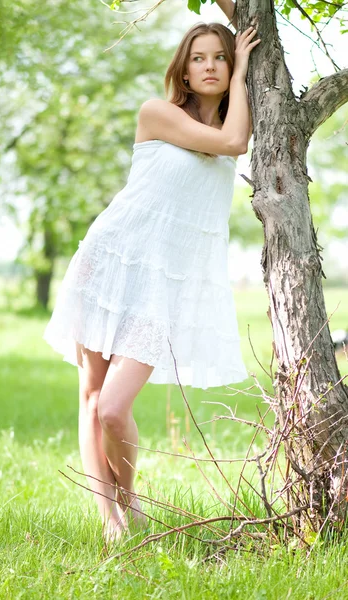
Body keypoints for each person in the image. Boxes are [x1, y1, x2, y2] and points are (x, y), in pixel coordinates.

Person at [44, 17, 261, 541]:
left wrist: (248, 67)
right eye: (199, 58)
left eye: (221, 57)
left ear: (230, 66)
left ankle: (130, 496)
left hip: (163, 288)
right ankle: (110, 518)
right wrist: (243, 70)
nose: (210, 66)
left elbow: (234, 138)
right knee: (92, 398)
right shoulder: (157, 113)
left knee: (116, 409)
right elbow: (231, 141)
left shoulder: (235, 126)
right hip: (107, 261)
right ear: (183, 71)